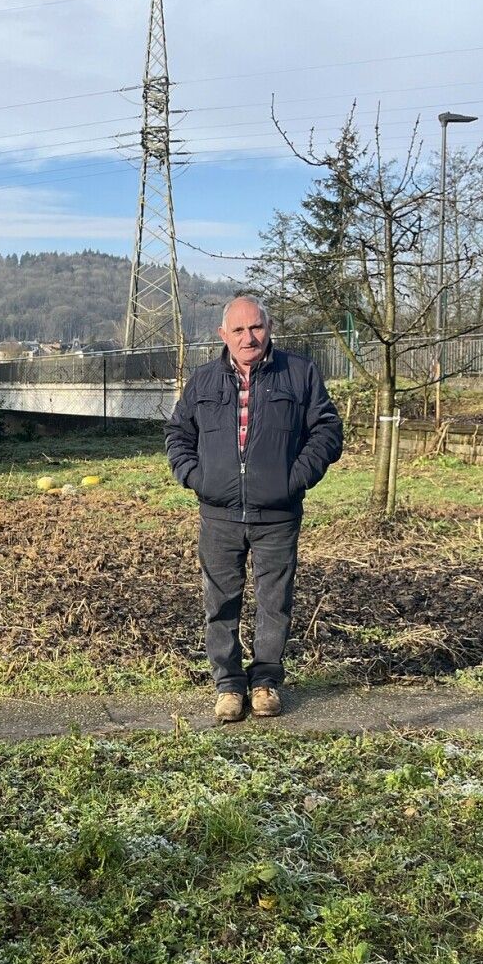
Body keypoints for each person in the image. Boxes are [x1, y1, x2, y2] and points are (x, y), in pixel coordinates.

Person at [164, 297, 343, 722]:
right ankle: (228, 686)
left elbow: (327, 431)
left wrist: (294, 480)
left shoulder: (299, 373)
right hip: (219, 515)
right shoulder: (204, 380)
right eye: (239, 330)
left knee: (274, 603)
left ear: (269, 327)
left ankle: (265, 682)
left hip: (277, 515)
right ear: (223, 335)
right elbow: (178, 433)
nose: (249, 338)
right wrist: (196, 477)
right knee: (220, 604)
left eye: (256, 327)